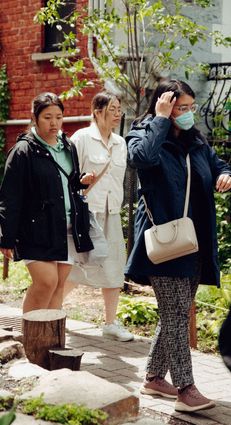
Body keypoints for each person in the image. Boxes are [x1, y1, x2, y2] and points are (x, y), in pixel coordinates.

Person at [126, 79, 231, 413]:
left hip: (195, 240)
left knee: (175, 312)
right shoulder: (142, 133)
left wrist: (226, 176)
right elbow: (141, 159)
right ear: (164, 105)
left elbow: (218, 166)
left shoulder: (197, 142)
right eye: (181, 108)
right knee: (175, 314)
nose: (188, 114)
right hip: (164, 239)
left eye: (191, 107)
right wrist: (159, 121)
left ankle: (154, 377)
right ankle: (186, 388)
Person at [0, 92, 95, 313]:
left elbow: (67, 183)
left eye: (59, 117)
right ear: (34, 118)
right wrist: (7, 237)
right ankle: (32, 338)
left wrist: (81, 182)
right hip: (36, 229)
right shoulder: (23, 151)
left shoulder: (68, 146)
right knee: (46, 283)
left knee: (59, 286)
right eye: (47, 117)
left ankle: (50, 340)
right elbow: (9, 197)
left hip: (67, 228)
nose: (54, 123)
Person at [63, 91, 133, 342]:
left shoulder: (120, 142)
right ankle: (53, 308)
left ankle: (110, 323)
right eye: (112, 109)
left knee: (114, 266)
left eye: (119, 109)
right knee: (79, 266)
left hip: (111, 211)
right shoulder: (82, 137)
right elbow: (69, 175)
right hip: (86, 212)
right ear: (97, 111)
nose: (118, 114)